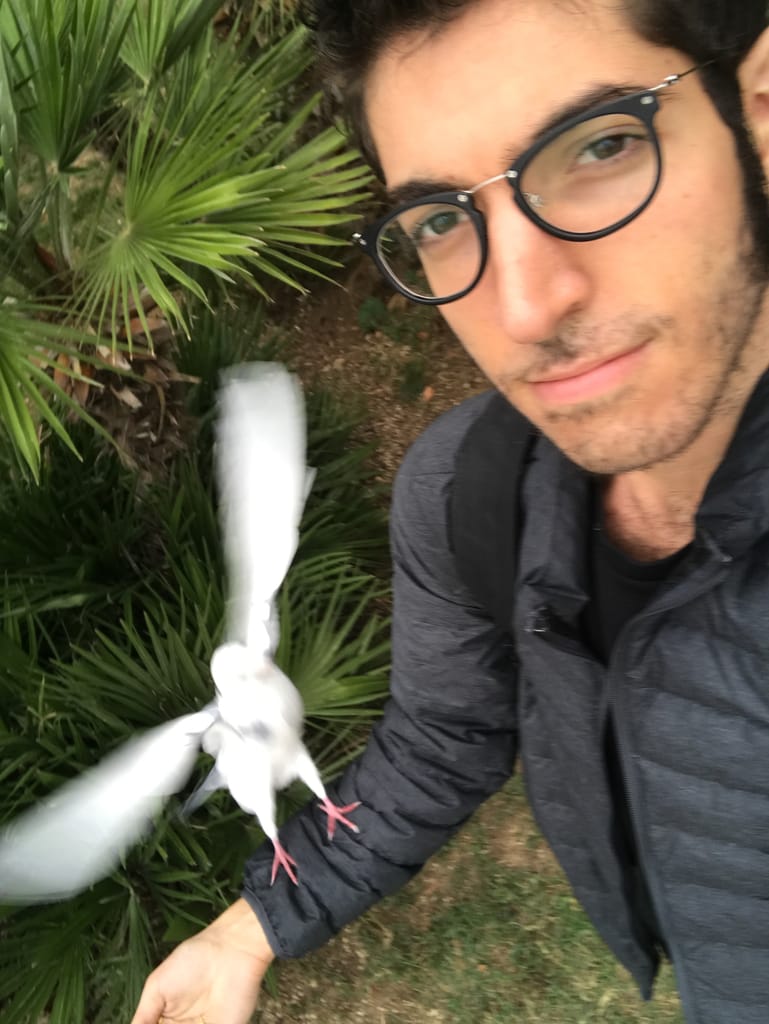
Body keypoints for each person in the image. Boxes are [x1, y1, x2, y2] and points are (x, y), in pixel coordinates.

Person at [131, 2, 769, 1022]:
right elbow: (444, 740)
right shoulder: (470, 490)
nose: (523, 307)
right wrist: (246, 931)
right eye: (438, 219)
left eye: (600, 145)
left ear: (756, 110)